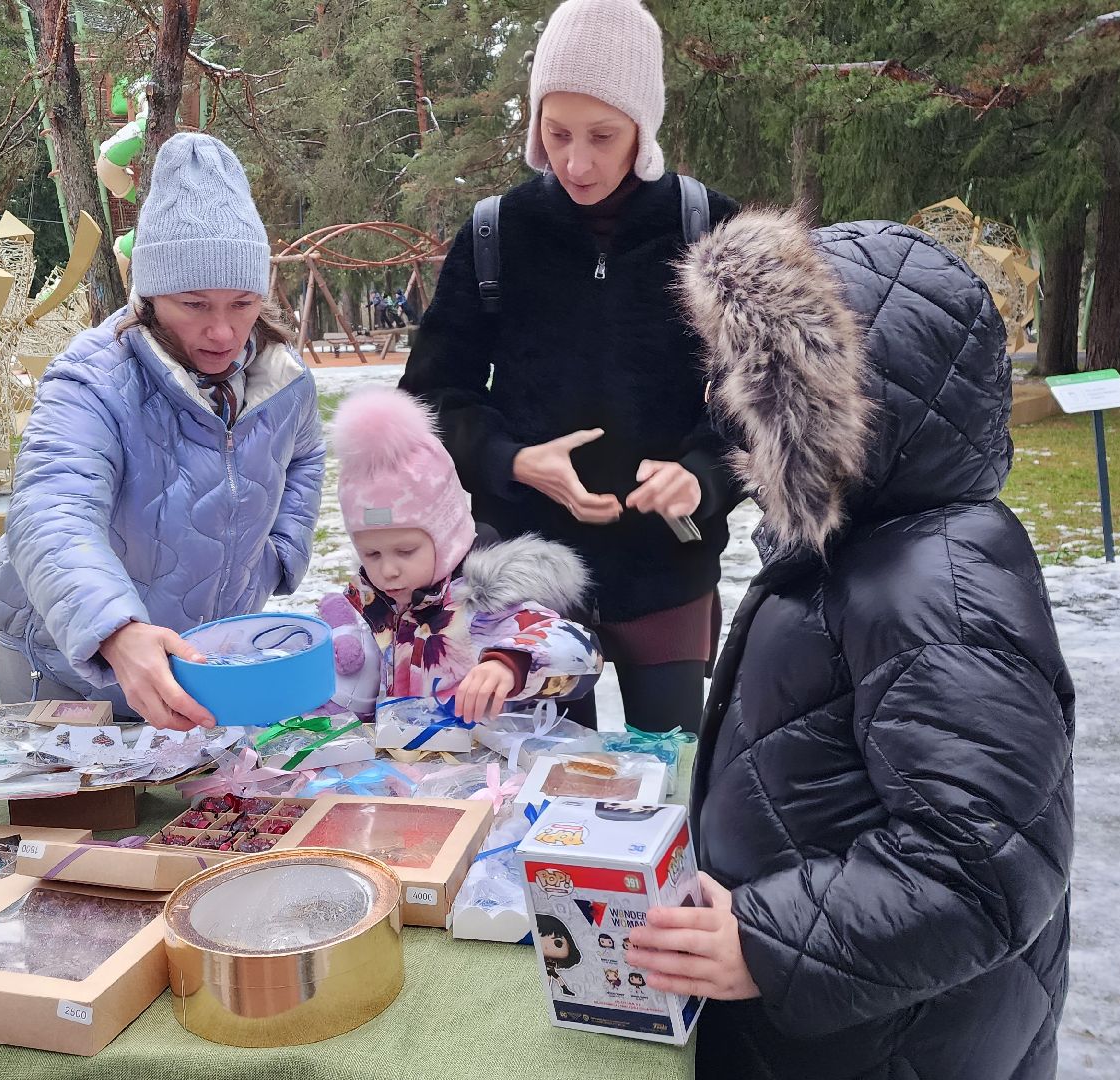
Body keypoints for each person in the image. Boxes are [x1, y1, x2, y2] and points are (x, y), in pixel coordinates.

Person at [623, 211, 1076, 1078]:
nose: (723, 399)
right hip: (844, 1026)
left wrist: (764, 942)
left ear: (841, 404)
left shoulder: (938, 589)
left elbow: (977, 868)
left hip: (898, 1039)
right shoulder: (863, 545)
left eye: (758, 376)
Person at [401, 0, 741, 734]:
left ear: (643, 129)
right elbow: (428, 399)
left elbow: (768, 399)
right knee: (546, 789)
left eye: (603, 136)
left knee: (673, 778)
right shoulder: (496, 234)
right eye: (557, 133)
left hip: (667, 573)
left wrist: (700, 475)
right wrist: (514, 461)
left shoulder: (708, 227)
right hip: (531, 573)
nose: (577, 162)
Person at [0, 133, 324, 729]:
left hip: (199, 667)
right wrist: (115, 630)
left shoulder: (282, 381)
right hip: (68, 666)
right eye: (194, 304)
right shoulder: (91, 380)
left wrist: (278, 555)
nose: (223, 332)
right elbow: (51, 511)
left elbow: (306, 458)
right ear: (152, 294)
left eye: (242, 303)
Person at [314, 386, 600, 725]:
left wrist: (510, 663)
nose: (388, 569)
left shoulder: (486, 605)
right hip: (400, 768)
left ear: (447, 535)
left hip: (479, 769)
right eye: (371, 553)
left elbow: (582, 653)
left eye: (406, 551)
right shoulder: (372, 607)